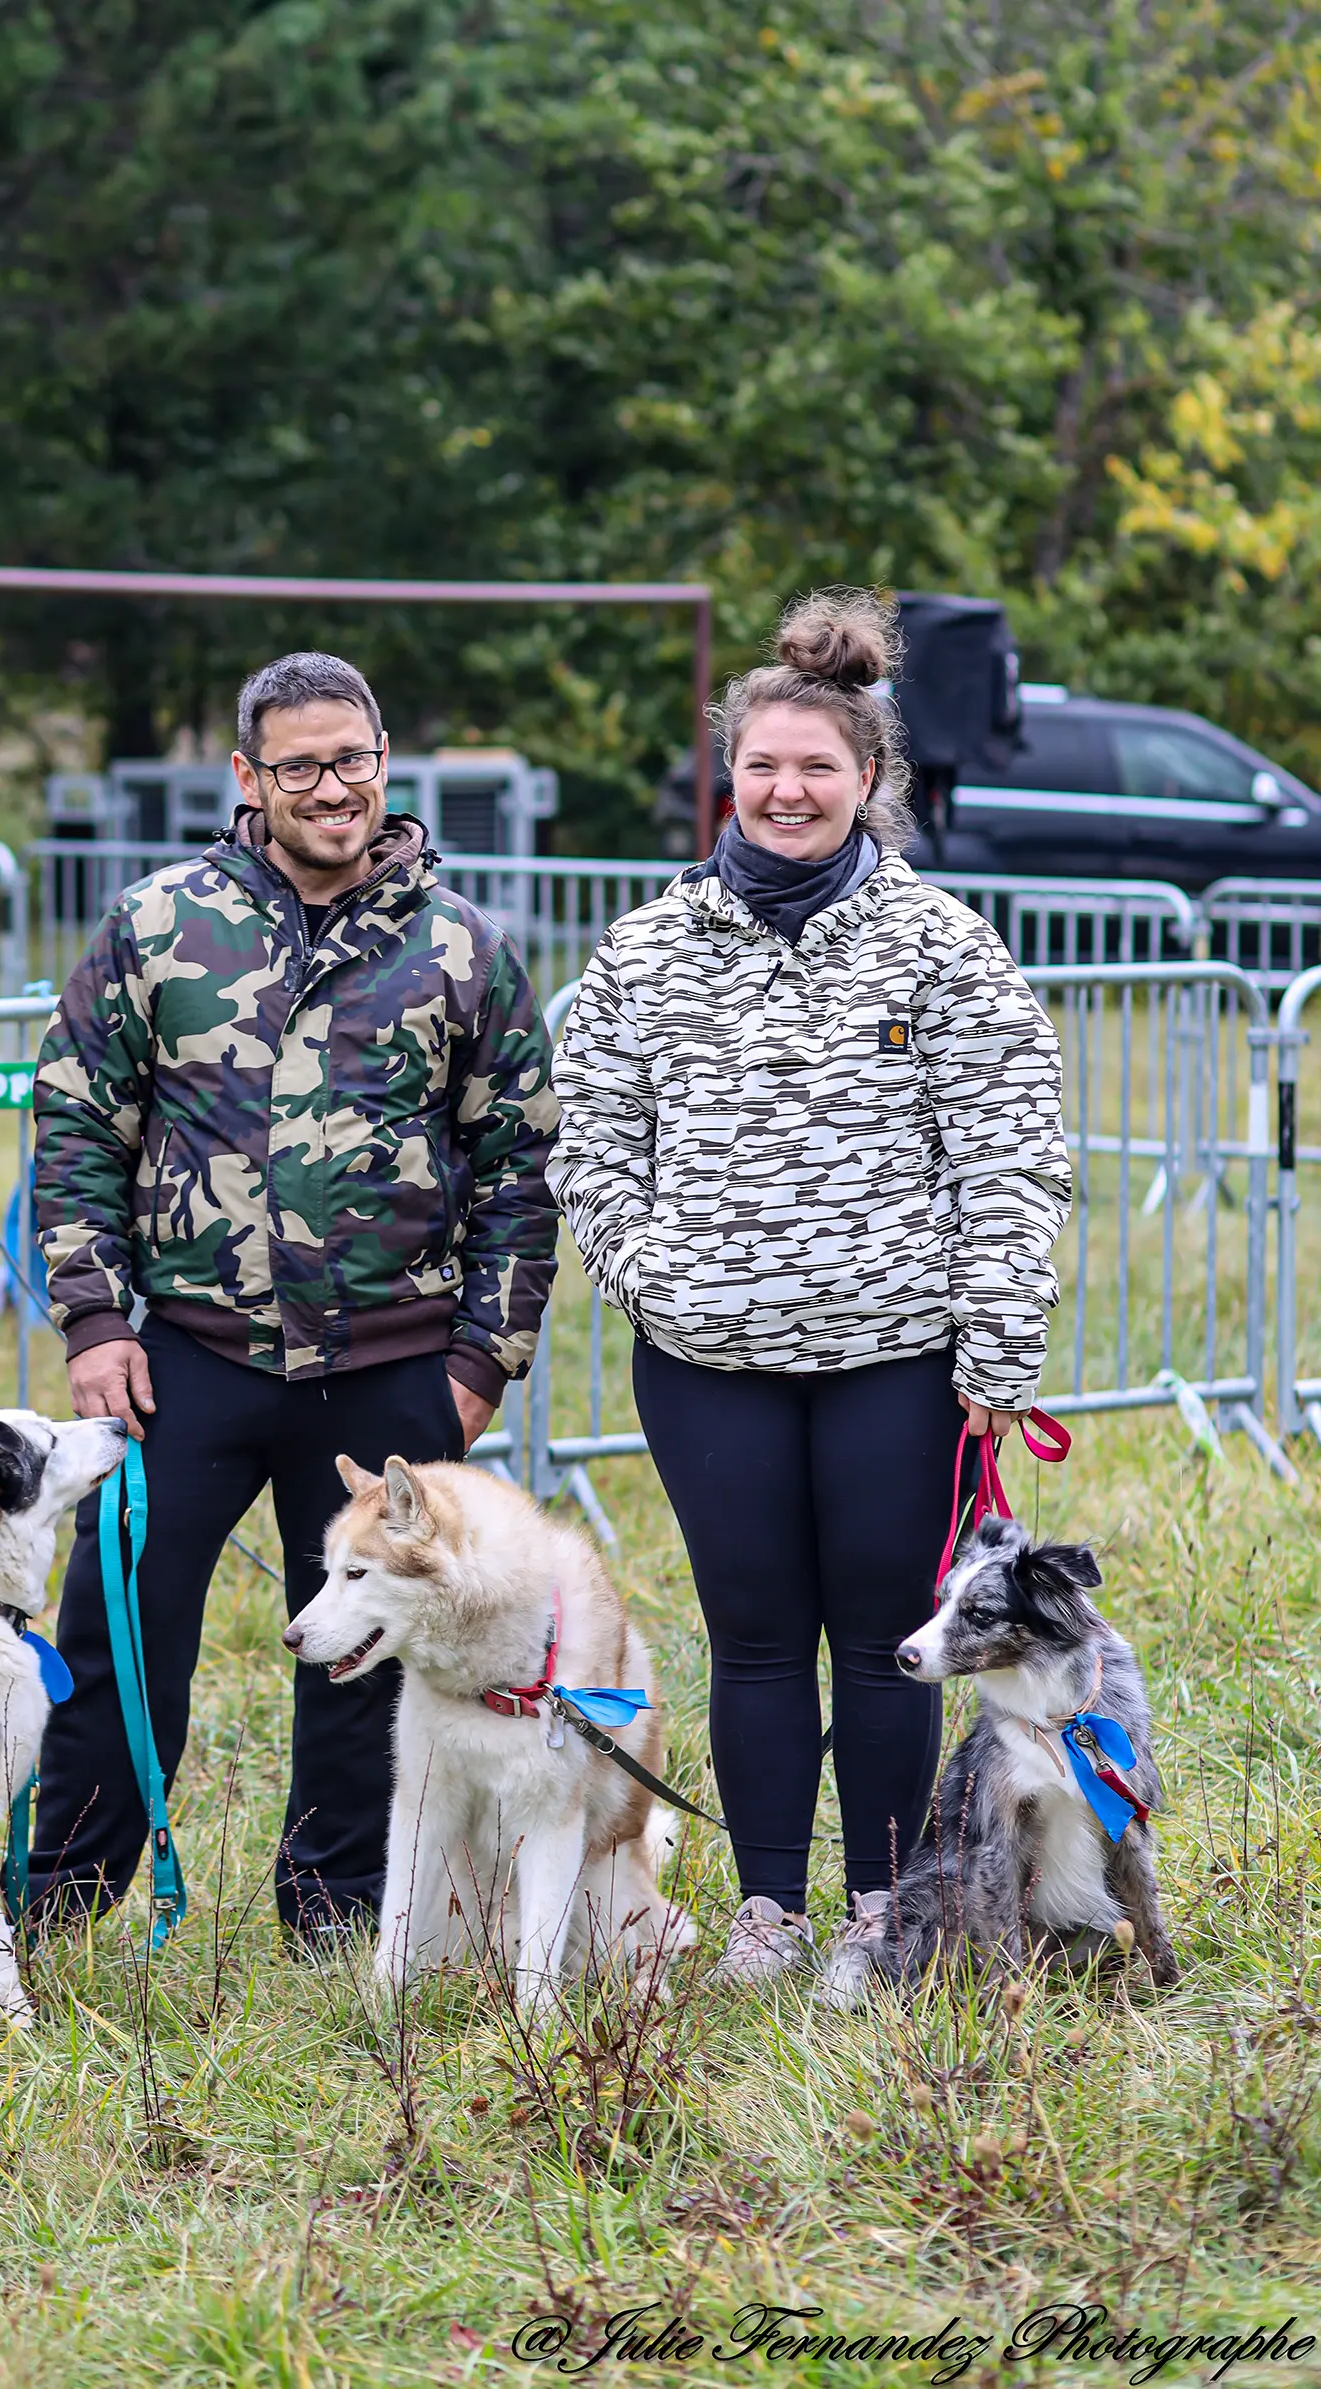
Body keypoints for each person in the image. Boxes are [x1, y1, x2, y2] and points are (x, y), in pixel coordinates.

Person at [548, 589, 1070, 1987]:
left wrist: (997, 1351)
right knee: (758, 1641)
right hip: (708, 1363)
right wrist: (649, 1270)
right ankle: (769, 1912)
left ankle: (880, 1911)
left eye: (817, 769)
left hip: (896, 1363)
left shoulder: (941, 948)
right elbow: (587, 1142)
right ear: (733, 776)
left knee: (887, 1643)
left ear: (867, 784)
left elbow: (1012, 1153)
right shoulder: (649, 951)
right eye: (764, 767)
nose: (788, 791)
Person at [25, 650, 560, 1941]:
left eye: (356, 759)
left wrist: (483, 1362)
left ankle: (341, 1903)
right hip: (187, 1360)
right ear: (248, 777)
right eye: (303, 765)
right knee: (119, 1634)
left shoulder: (465, 948)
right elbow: (74, 1127)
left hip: (391, 1366)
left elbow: (524, 1167)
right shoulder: (158, 928)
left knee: (371, 1654)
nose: (334, 788)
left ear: (386, 760)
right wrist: (95, 1324)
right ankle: (65, 1893)